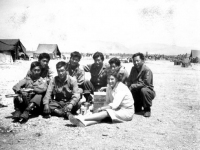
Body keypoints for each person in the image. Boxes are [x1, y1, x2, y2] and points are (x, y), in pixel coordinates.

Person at [69, 71, 134, 127]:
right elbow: (107, 101)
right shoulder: (109, 86)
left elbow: (114, 105)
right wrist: (100, 108)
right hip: (117, 109)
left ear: (116, 79)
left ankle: (81, 118)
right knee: (101, 115)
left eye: (112, 79)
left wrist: (101, 108)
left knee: (106, 112)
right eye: (108, 79)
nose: (110, 81)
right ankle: (83, 123)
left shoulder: (121, 88)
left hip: (126, 111)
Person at [128, 52, 156, 117]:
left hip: (147, 92)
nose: (136, 63)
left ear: (143, 61)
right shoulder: (133, 69)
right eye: (134, 61)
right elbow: (129, 79)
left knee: (143, 90)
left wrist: (132, 86)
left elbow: (145, 83)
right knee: (136, 109)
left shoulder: (147, 70)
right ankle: (137, 106)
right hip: (137, 92)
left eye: (137, 61)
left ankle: (147, 109)